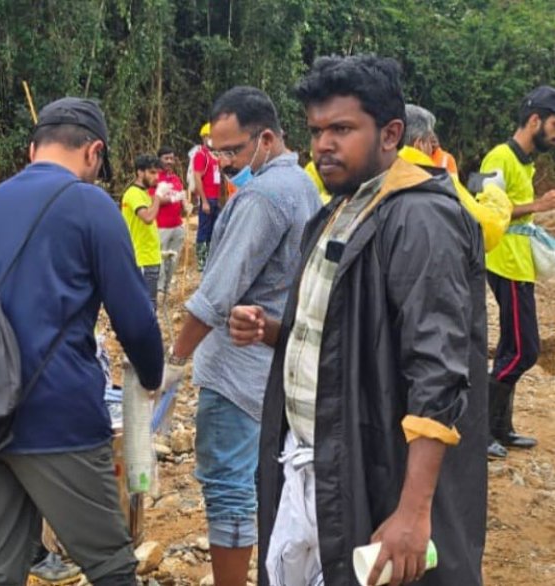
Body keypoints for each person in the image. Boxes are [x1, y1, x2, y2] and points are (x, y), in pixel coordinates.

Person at [229, 55, 487, 586]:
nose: (324, 144)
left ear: (391, 133)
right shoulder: (341, 210)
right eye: (317, 130)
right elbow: (351, 331)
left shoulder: (419, 217)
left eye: (342, 129)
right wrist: (276, 331)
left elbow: (437, 370)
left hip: (373, 467)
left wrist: (415, 513)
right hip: (317, 459)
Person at [0, 97, 164, 586]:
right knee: (110, 563)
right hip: (55, 412)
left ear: (32, 149)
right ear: (93, 152)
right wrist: (150, 377)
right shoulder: (91, 204)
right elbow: (134, 318)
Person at [165, 86, 320, 586]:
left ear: (267, 138)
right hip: (273, 370)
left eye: (233, 150)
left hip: (237, 373)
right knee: (262, 484)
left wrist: (174, 359)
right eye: (218, 151)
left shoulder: (263, 196)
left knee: (229, 489)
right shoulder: (301, 185)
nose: (225, 162)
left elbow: (216, 293)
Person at [483, 86, 555, 459]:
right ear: (534, 120)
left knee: (512, 347)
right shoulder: (500, 157)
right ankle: (480, 426)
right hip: (504, 264)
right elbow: (485, 208)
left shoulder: (525, 163)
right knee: (526, 350)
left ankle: (499, 427)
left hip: (520, 265)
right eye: (554, 124)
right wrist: (538, 204)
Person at [400, 104, 512, 252]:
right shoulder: (437, 179)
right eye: (429, 141)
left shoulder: (375, 171)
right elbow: (485, 229)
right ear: (420, 144)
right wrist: (494, 191)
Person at [121, 154, 170, 308]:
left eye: (158, 173)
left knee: (151, 305)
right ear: (140, 172)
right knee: (145, 307)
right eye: (152, 172)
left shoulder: (144, 194)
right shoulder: (133, 194)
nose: (156, 177)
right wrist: (157, 196)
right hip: (141, 259)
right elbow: (148, 217)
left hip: (151, 257)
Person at [150, 146, 187, 294]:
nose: (169, 161)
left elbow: (182, 198)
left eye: (171, 158)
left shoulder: (176, 178)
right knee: (160, 257)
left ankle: (166, 287)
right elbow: (154, 199)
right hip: (161, 226)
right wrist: (174, 198)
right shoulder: (155, 178)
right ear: (159, 159)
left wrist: (186, 204)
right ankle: (158, 289)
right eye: (166, 158)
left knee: (173, 259)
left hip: (177, 225)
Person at [192, 122, 222, 272]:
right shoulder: (201, 155)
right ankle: (201, 260)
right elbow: (198, 177)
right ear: (204, 137)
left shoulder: (216, 156)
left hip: (217, 197)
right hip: (207, 198)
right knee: (204, 229)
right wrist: (203, 200)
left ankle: (211, 257)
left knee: (215, 229)